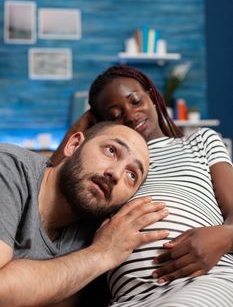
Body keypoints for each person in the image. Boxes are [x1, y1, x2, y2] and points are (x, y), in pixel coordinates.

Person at [52, 65, 233, 307]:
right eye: (114, 115)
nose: (130, 114)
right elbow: (47, 183)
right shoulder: (105, 167)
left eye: (135, 101)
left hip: (201, 282)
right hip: (129, 298)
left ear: (152, 95)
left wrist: (224, 237)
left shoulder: (199, 142)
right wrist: (82, 126)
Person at [0, 121, 171, 307]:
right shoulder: (8, 167)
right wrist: (101, 254)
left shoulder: (100, 230)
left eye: (132, 175)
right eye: (111, 151)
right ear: (74, 145)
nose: (115, 174)